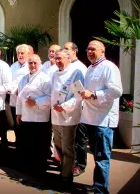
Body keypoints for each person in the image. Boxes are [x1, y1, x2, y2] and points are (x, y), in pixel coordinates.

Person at [80, 40, 122, 193]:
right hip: (91, 118)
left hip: (103, 121)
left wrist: (94, 95)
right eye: (88, 49)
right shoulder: (90, 68)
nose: (90, 52)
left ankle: (101, 190)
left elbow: (117, 91)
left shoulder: (109, 67)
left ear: (102, 51)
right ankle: (98, 185)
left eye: (93, 49)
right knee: (97, 158)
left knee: (102, 158)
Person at [51, 49, 84, 190]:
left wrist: (64, 106)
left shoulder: (76, 73)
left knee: (67, 149)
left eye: (60, 58)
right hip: (56, 117)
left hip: (68, 117)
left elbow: (79, 96)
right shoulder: (54, 74)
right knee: (58, 146)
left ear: (69, 58)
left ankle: (66, 177)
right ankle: (64, 171)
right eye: (56, 58)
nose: (57, 61)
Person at [16, 54, 52, 176]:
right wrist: (19, 113)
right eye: (30, 63)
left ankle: (40, 170)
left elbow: (50, 98)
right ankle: (28, 169)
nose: (32, 65)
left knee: (40, 146)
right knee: (28, 144)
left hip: (40, 117)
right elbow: (19, 98)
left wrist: (36, 102)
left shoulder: (45, 79)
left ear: (40, 64)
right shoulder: (23, 79)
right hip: (26, 116)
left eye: (35, 63)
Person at [63, 41, 88, 177]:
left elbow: (80, 92)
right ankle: (69, 163)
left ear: (75, 51)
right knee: (68, 139)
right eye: (63, 48)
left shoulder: (80, 68)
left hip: (79, 108)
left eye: (67, 49)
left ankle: (80, 165)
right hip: (65, 109)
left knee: (79, 139)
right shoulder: (66, 66)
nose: (65, 50)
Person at [7, 44, 30, 148]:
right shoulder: (13, 66)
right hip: (14, 101)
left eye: (22, 53)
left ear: (28, 54)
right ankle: (19, 146)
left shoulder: (31, 65)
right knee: (16, 126)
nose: (20, 55)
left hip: (26, 102)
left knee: (25, 126)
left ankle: (25, 147)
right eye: (18, 53)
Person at [41, 44, 61, 160]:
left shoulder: (59, 67)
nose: (51, 53)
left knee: (56, 131)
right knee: (46, 129)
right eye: (50, 51)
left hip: (56, 103)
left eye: (54, 51)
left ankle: (57, 155)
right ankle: (47, 152)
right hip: (44, 102)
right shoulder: (45, 65)